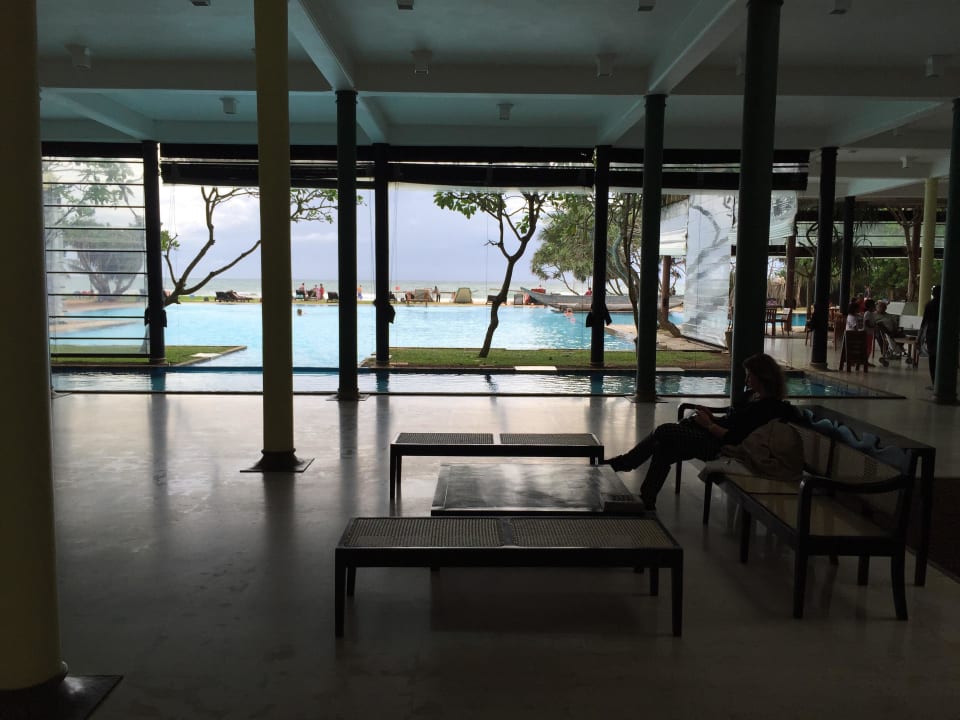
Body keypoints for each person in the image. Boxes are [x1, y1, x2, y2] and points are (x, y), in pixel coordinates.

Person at [605, 353, 798, 511]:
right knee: (664, 448)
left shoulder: (767, 408)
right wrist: (711, 418)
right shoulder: (751, 396)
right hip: (713, 436)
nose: (746, 379)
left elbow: (734, 437)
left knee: (664, 431)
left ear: (762, 377)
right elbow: (731, 421)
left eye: (750, 375)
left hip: (723, 447)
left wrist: (708, 425)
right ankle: (646, 499)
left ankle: (626, 463)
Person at [920, 284, 941, 385]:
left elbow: (924, 322)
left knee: (932, 357)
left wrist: (919, 337)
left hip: (932, 332)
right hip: (944, 332)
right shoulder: (948, 304)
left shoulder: (930, 304)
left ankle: (934, 382)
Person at [862, 298, 877, 365]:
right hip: (867, 333)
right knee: (868, 348)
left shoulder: (872, 313)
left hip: (870, 333)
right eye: (874, 305)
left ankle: (865, 360)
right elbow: (866, 324)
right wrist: (874, 327)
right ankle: (865, 361)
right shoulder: (867, 313)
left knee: (869, 348)